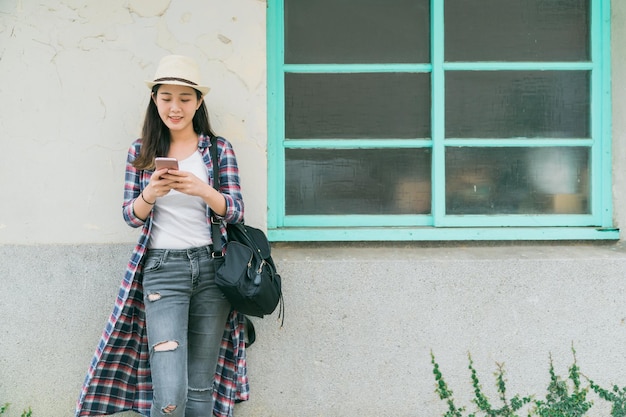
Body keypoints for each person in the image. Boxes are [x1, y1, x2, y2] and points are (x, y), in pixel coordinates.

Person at [76, 55, 250, 417]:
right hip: (162, 271)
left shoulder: (217, 150)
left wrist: (202, 190)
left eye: (185, 98)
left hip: (212, 270)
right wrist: (151, 193)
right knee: (170, 395)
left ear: (198, 102)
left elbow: (235, 210)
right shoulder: (141, 152)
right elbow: (130, 216)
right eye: (167, 97)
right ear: (155, 100)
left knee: (201, 388)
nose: (176, 107)